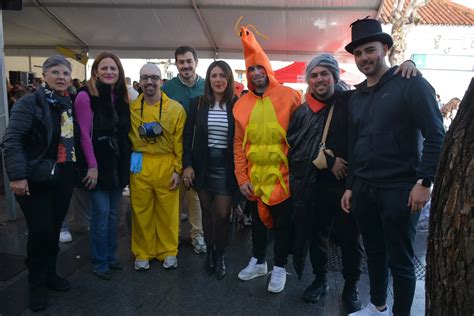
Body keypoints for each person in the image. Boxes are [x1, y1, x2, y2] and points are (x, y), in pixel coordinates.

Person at [288, 54, 419, 312]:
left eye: (324, 73)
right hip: (315, 185)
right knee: (317, 236)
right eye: (313, 75)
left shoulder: (350, 101)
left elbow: (365, 132)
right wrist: (328, 159)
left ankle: (350, 287)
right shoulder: (302, 112)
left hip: (348, 186)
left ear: (335, 76)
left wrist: (409, 65)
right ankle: (320, 280)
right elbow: (294, 148)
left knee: (350, 240)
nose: (319, 79)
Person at [341, 18, 445, 316]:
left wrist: (425, 182)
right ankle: (377, 306)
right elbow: (354, 144)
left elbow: (436, 134)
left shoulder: (411, 84)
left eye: (369, 50)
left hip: (400, 189)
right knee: (373, 253)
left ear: (385, 48)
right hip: (363, 188)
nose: (364, 58)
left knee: (400, 260)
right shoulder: (356, 96)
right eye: (358, 53)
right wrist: (350, 185)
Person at [3, 55, 76, 311]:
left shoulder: (69, 102)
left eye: (65, 73)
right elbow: (12, 140)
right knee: (40, 231)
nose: (61, 77)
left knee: (53, 228)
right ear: (44, 75)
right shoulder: (28, 103)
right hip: (34, 178)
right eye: (55, 72)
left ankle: (50, 274)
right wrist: (18, 176)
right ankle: (35, 284)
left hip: (62, 176)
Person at [233, 25, 301, 293]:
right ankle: (259, 261)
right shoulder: (241, 103)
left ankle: (280, 266)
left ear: (267, 69)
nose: (256, 74)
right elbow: (238, 144)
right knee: (258, 225)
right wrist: (241, 178)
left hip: (284, 180)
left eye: (260, 68)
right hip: (254, 180)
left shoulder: (290, 96)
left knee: (284, 226)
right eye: (251, 70)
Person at [74, 51, 131, 280]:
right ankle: (99, 262)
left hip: (117, 165)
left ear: (119, 72)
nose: (109, 72)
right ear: (95, 70)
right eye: (104, 68)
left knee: (113, 214)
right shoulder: (85, 96)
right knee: (101, 214)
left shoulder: (121, 96)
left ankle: (110, 256)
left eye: (113, 68)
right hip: (97, 164)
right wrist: (92, 166)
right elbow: (84, 135)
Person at [182, 60, 239, 280]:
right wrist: (187, 165)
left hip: (226, 167)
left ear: (229, 79)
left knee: (223, 215)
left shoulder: (237, 104)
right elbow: (187, 137)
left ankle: (220, 254)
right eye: (214, 75)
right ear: (209, 79)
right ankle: (210, 256)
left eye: (222, 75)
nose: (218, 80)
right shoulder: (197, 104)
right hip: (203, 167)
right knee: (207, 214)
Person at [129, 63, 186, 271]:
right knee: (140, 210)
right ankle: (143, 252)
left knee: (168, 211)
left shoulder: (176, 109)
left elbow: (180, 142)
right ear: (140, 82)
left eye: (154, 77)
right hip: (140, 163)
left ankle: (168, 251)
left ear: (162, 81)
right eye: (145, 78)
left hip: (166, 163)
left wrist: (177, 169)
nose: (149, 82)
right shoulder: (132, 108)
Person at [162, 46, 207, 254]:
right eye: (181, 62)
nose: (185, 65)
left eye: (189, 61)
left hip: (197, 151)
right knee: (174, 195)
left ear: (196, 62)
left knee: (195, 196)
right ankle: (173, 236)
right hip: (172, 151)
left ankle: (197, 235)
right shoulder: (168, 88)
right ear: (176, 64)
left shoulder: (206, 87)